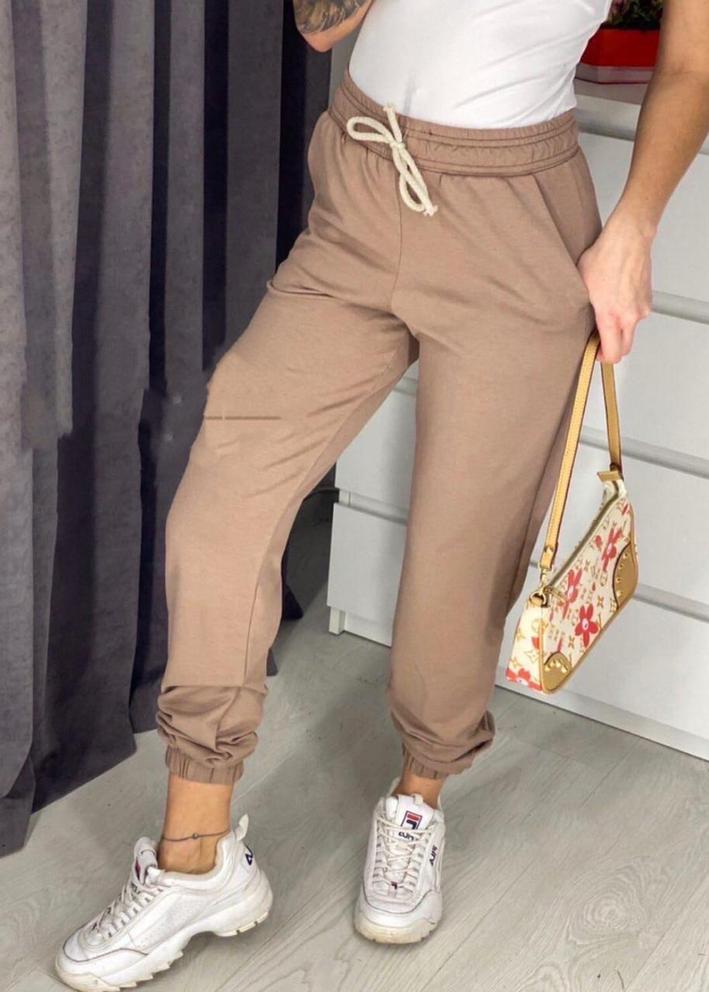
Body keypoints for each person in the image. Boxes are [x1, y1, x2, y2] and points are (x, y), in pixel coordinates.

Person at [55, 1, 709, 988]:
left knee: (462, 549)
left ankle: (417, 797)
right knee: (226, 491)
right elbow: (321, 27)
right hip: (362, 182)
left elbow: (690, 65)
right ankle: (196, 859)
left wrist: (631, 230)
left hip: (515, 218)